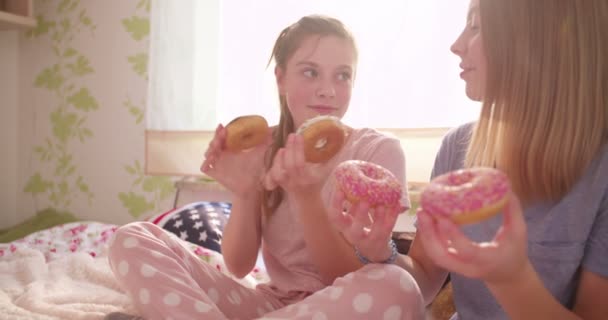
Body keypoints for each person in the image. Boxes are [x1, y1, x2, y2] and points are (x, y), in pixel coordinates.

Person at [106, 14, 424, 320]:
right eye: (311, 72)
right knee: (132, 237)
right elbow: (239, 266)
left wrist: (307, 197)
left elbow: (350, 277)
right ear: (281, 78)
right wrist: (246, 192)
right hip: (270, 305)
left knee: (397, 286)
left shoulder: (377, 152)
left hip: (348, 304)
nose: (328, 89)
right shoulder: (263, 148)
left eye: (342, 75)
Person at [329, 0, 608, 319]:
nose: (456, 45)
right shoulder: (457, 147)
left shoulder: (600, 172)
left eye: (475, 26)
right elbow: (424, 276)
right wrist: (379, 251)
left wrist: (512, 280)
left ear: (537, 41)